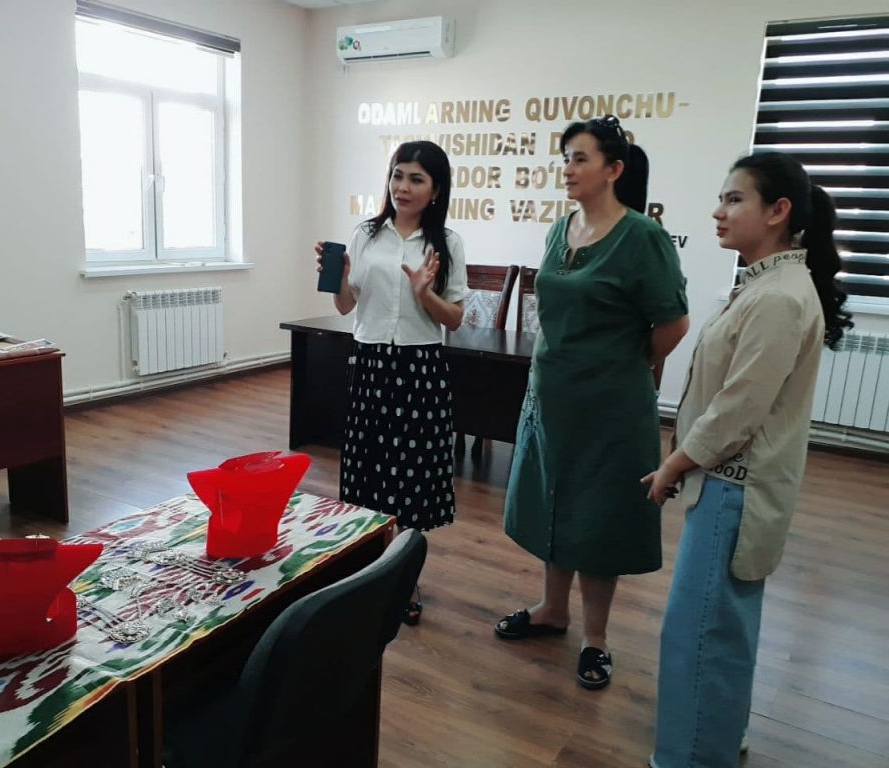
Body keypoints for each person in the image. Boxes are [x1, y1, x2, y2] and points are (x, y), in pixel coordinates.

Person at [643, 151, 853, 768]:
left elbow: (737, 411)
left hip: (734, 488)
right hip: (734, 486)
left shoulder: (779, 297)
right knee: (721, 627)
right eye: (722, 197)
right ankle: (716, 737)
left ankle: (690, 756)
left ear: (779, 211)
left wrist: (674, 464)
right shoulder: (768, 284)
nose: (719, 211)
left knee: (700, 633)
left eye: (734, 199)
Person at [494, 115, 689, 690]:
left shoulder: (642, 236)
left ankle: (596, 637)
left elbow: (673, 323)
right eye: (566, 158)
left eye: (580, 158)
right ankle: (553, 610)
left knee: (599, 515)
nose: (568, 169)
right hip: (551, 398)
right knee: (555, 503)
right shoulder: (561, 229)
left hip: (611, 405)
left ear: (614, 169)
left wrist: (624, 363)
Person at [315, 140, 468, 625]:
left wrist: (424, 294)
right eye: (397, 175)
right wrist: (339, 277)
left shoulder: (446, 243)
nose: (403, 187)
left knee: (412, 476)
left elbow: (455, 318)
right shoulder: (366, 234)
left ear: (436, 190)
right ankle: (367, 572)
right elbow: (346, 305)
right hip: (370, 364)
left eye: (416, 179)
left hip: (419, 367)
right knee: (370, 470)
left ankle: (403, 579)